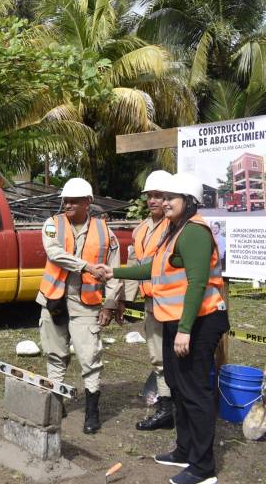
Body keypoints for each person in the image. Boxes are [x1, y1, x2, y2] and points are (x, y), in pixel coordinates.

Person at [104, 172, 228, 484]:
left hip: (199, 322)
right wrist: (114, 271)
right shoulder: (173, 231)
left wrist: (185, 329)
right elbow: (153, 267)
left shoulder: (194, 232)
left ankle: (203, 468)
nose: (165, 201)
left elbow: (198, 282)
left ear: (189, 202)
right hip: (176, 320)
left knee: (195, 392)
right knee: (177, 383)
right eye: (165, 196)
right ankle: (185, 451)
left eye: (173, 197)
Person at [37, 177, 121, 434]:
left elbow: (115, 272)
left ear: (88, 202)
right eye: (65, 201)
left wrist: (110, 304)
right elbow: (54, 253)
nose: (68, 205)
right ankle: (55, 403)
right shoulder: (51, 225)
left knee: (90, 357)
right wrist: (86, 266)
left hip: (87, 303)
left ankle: (92, 411)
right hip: (54, 299)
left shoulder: (106, 232)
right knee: (55, 353)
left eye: (74, 201)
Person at [123, 170, 175, 431]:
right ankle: (166, 408)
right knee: (157, 355)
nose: (153, 200)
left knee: (179, 356)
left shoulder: (175, 225)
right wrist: (124, 299)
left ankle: (179, 406)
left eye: (158, 195)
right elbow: (134, 263)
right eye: (150, 196)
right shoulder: (141, 228)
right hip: (152, 302)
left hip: (175, 303)